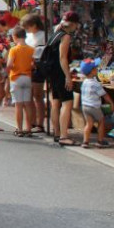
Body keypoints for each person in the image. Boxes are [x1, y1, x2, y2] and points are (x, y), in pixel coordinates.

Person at [46, 12, 79, 145]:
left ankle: (57, 132)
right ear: (73, 24)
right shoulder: (65, 36)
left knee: (55, 102)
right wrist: (68, 77)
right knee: (67, 103)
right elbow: (62, 57)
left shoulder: (55, 34)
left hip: (52, 73)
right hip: (60, 73)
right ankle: (64, 136)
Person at [21, 13, 48, 134]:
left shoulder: (43, 35)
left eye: (28, 26)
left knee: (38, 96)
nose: (27, 29)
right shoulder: (28, 35)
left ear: (34, 25)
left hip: (37, 67)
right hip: (26, 67)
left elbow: (42, 52)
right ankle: (31, 121)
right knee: (29, 96)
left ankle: (40, 123)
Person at [7, 27, 36, 137]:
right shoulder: (31, 49)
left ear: (15, 37)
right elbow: (33, 64)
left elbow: (9, 64)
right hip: (27, 77)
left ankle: (19, 129)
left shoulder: (13, 50)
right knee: (27, 104)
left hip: (16, 78)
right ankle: (29, 129)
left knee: (18, 105)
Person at [78, 59, 114, 148]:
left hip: (85, 106)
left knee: (89, 124)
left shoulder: (84, 82)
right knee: (101, 121)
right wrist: (111, 103)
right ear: (92, 71)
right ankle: (100, 141)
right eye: (95, 68)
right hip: (94, 106)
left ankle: (85, 142)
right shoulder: (95, 83)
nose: (97, 69)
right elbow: (104, 95)